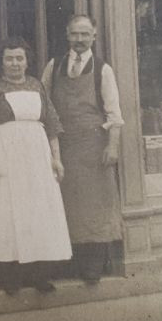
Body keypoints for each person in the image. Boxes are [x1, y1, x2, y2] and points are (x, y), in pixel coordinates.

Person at [0, 37, 72, 294]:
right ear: (2, 62)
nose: (14, 63)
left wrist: (56, 159)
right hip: (6, 158)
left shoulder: (37, 86)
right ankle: (11, 278)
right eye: (9, 59)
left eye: (19, 58)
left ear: (27, 61)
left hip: (37, 160)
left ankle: (39, 276)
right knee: (8, 214)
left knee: (38, 214)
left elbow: (52, 124)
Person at [42, 15, 125, 285]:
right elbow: (42, 104)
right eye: (75, 34)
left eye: (85, 34)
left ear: (94, 36)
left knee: (94, 206)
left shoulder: (103, 69)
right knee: (64, 205)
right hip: (61, 146)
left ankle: (93, 267)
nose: (79, 40)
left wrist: (112, 147)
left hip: (92, 148)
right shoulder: (54, 66)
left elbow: (114, 113)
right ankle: (66, 263)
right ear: (67, 34)